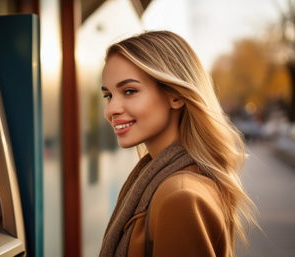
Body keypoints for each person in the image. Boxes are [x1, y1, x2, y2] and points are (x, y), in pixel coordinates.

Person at [99, 31, 257, 257]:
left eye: (129, 91)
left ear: (175, 95)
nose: (111, 109)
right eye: (108, 95)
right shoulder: (172, 181)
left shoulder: (180, 196)